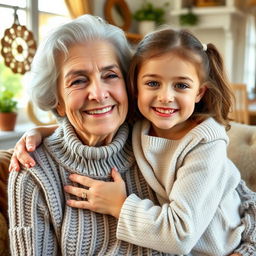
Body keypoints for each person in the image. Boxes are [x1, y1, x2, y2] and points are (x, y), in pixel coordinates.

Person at [9, 24, 256, 256]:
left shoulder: (161, 135)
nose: (99, 93)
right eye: (78, 80)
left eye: (110, 75)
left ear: (128, 85)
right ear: (57, 101)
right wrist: (42, 131)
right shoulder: (33, 171)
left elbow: (240, 198)